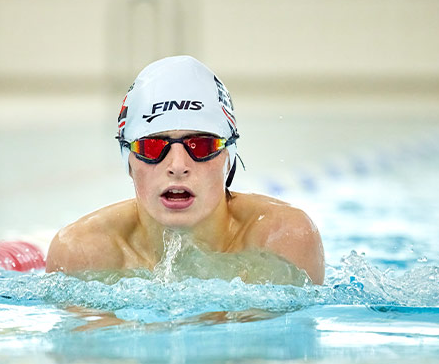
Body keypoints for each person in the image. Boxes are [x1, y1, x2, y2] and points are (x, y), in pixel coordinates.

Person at [46, 55, 324, 285]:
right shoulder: (81, 254)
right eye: (153, 147)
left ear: (229, 156)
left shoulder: (283, 240)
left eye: (201, 145)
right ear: (128, 160)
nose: (178, 166)